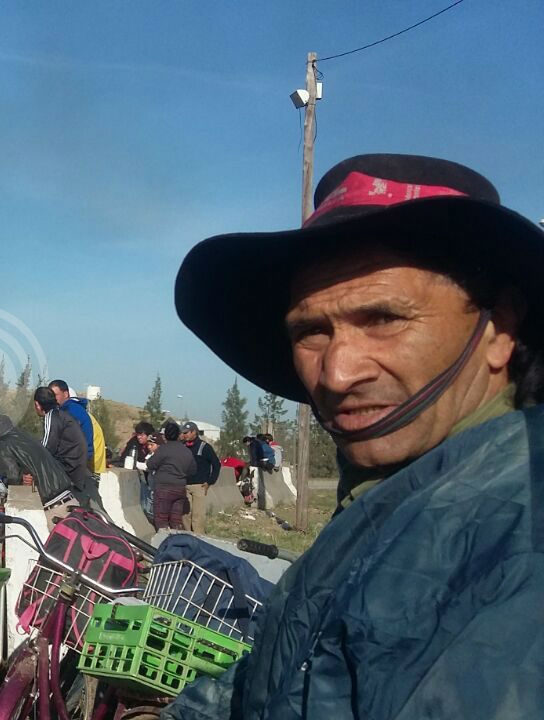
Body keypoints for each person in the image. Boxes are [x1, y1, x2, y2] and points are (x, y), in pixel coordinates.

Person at [167, 153, 544, 718]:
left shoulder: (519, 536)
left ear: (500, 329)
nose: (338, 374)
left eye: (384, 319)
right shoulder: (391, 494)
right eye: (311, 331)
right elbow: (281, 680)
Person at [0, 414, 74, 517]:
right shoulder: (25, 436)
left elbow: (13, 477)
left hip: (53, 508)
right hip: (68, 496)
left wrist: (15, 482)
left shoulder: (3, 443)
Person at [34, 386, 98, 510]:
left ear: (37, 404)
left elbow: (47, 447)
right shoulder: (62, 415)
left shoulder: (51, 416)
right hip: (77, 466)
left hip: (69, 469)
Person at [146, 422, 196, 530]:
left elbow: (150, 464)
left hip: (163, 490)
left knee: (161, 521)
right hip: (180, 489)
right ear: (178, 435)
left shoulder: (163, 449)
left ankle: (163, 540)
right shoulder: (186, 451)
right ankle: (177, 539)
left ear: (165, 435)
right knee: (176, 521)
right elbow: (193, 470)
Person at [179, 421, 220, 535]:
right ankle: (187, 536)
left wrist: (210, 481)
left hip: (199, 486)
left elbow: (216, 464)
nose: (184, 435)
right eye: (183, 433)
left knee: (198, 515)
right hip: (185, 485)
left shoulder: (204, 447)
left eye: (187, 433)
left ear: (194, 432)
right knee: (185, 514)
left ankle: (198, 537)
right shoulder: (182, 446)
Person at [48, 379, 95, 467]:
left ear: (66, 394)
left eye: (55, 395)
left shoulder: (71, 412)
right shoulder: (72, 409)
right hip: (78, 457)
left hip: (75, 459)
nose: (53, 399)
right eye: (50, 396)